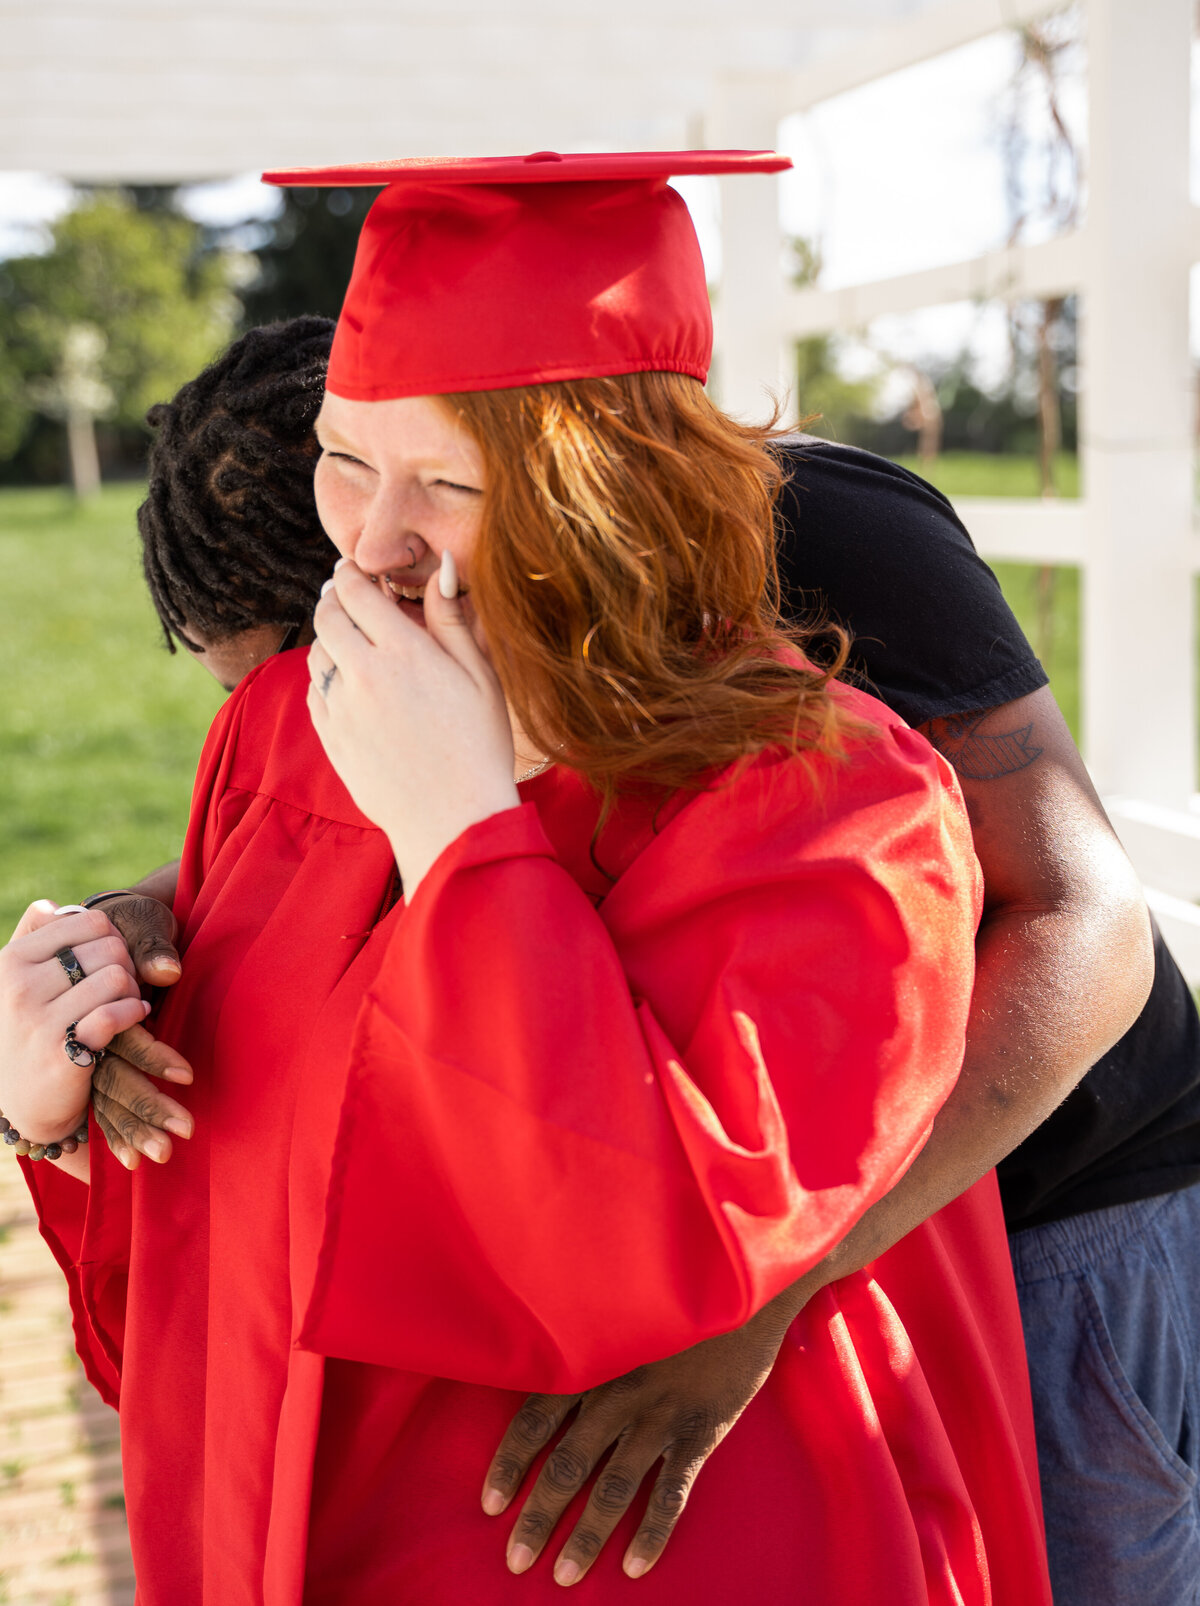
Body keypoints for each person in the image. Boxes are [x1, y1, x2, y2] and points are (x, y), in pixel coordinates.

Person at [0, 149, 1053, 1604]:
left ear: (615, 493)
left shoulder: (833, 805)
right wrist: (59, 1117)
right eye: (346, 457)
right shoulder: (278, 738)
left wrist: (464, 841)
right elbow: (197, 1302)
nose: (370, 545)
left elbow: (629, 1270)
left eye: (445, 481)